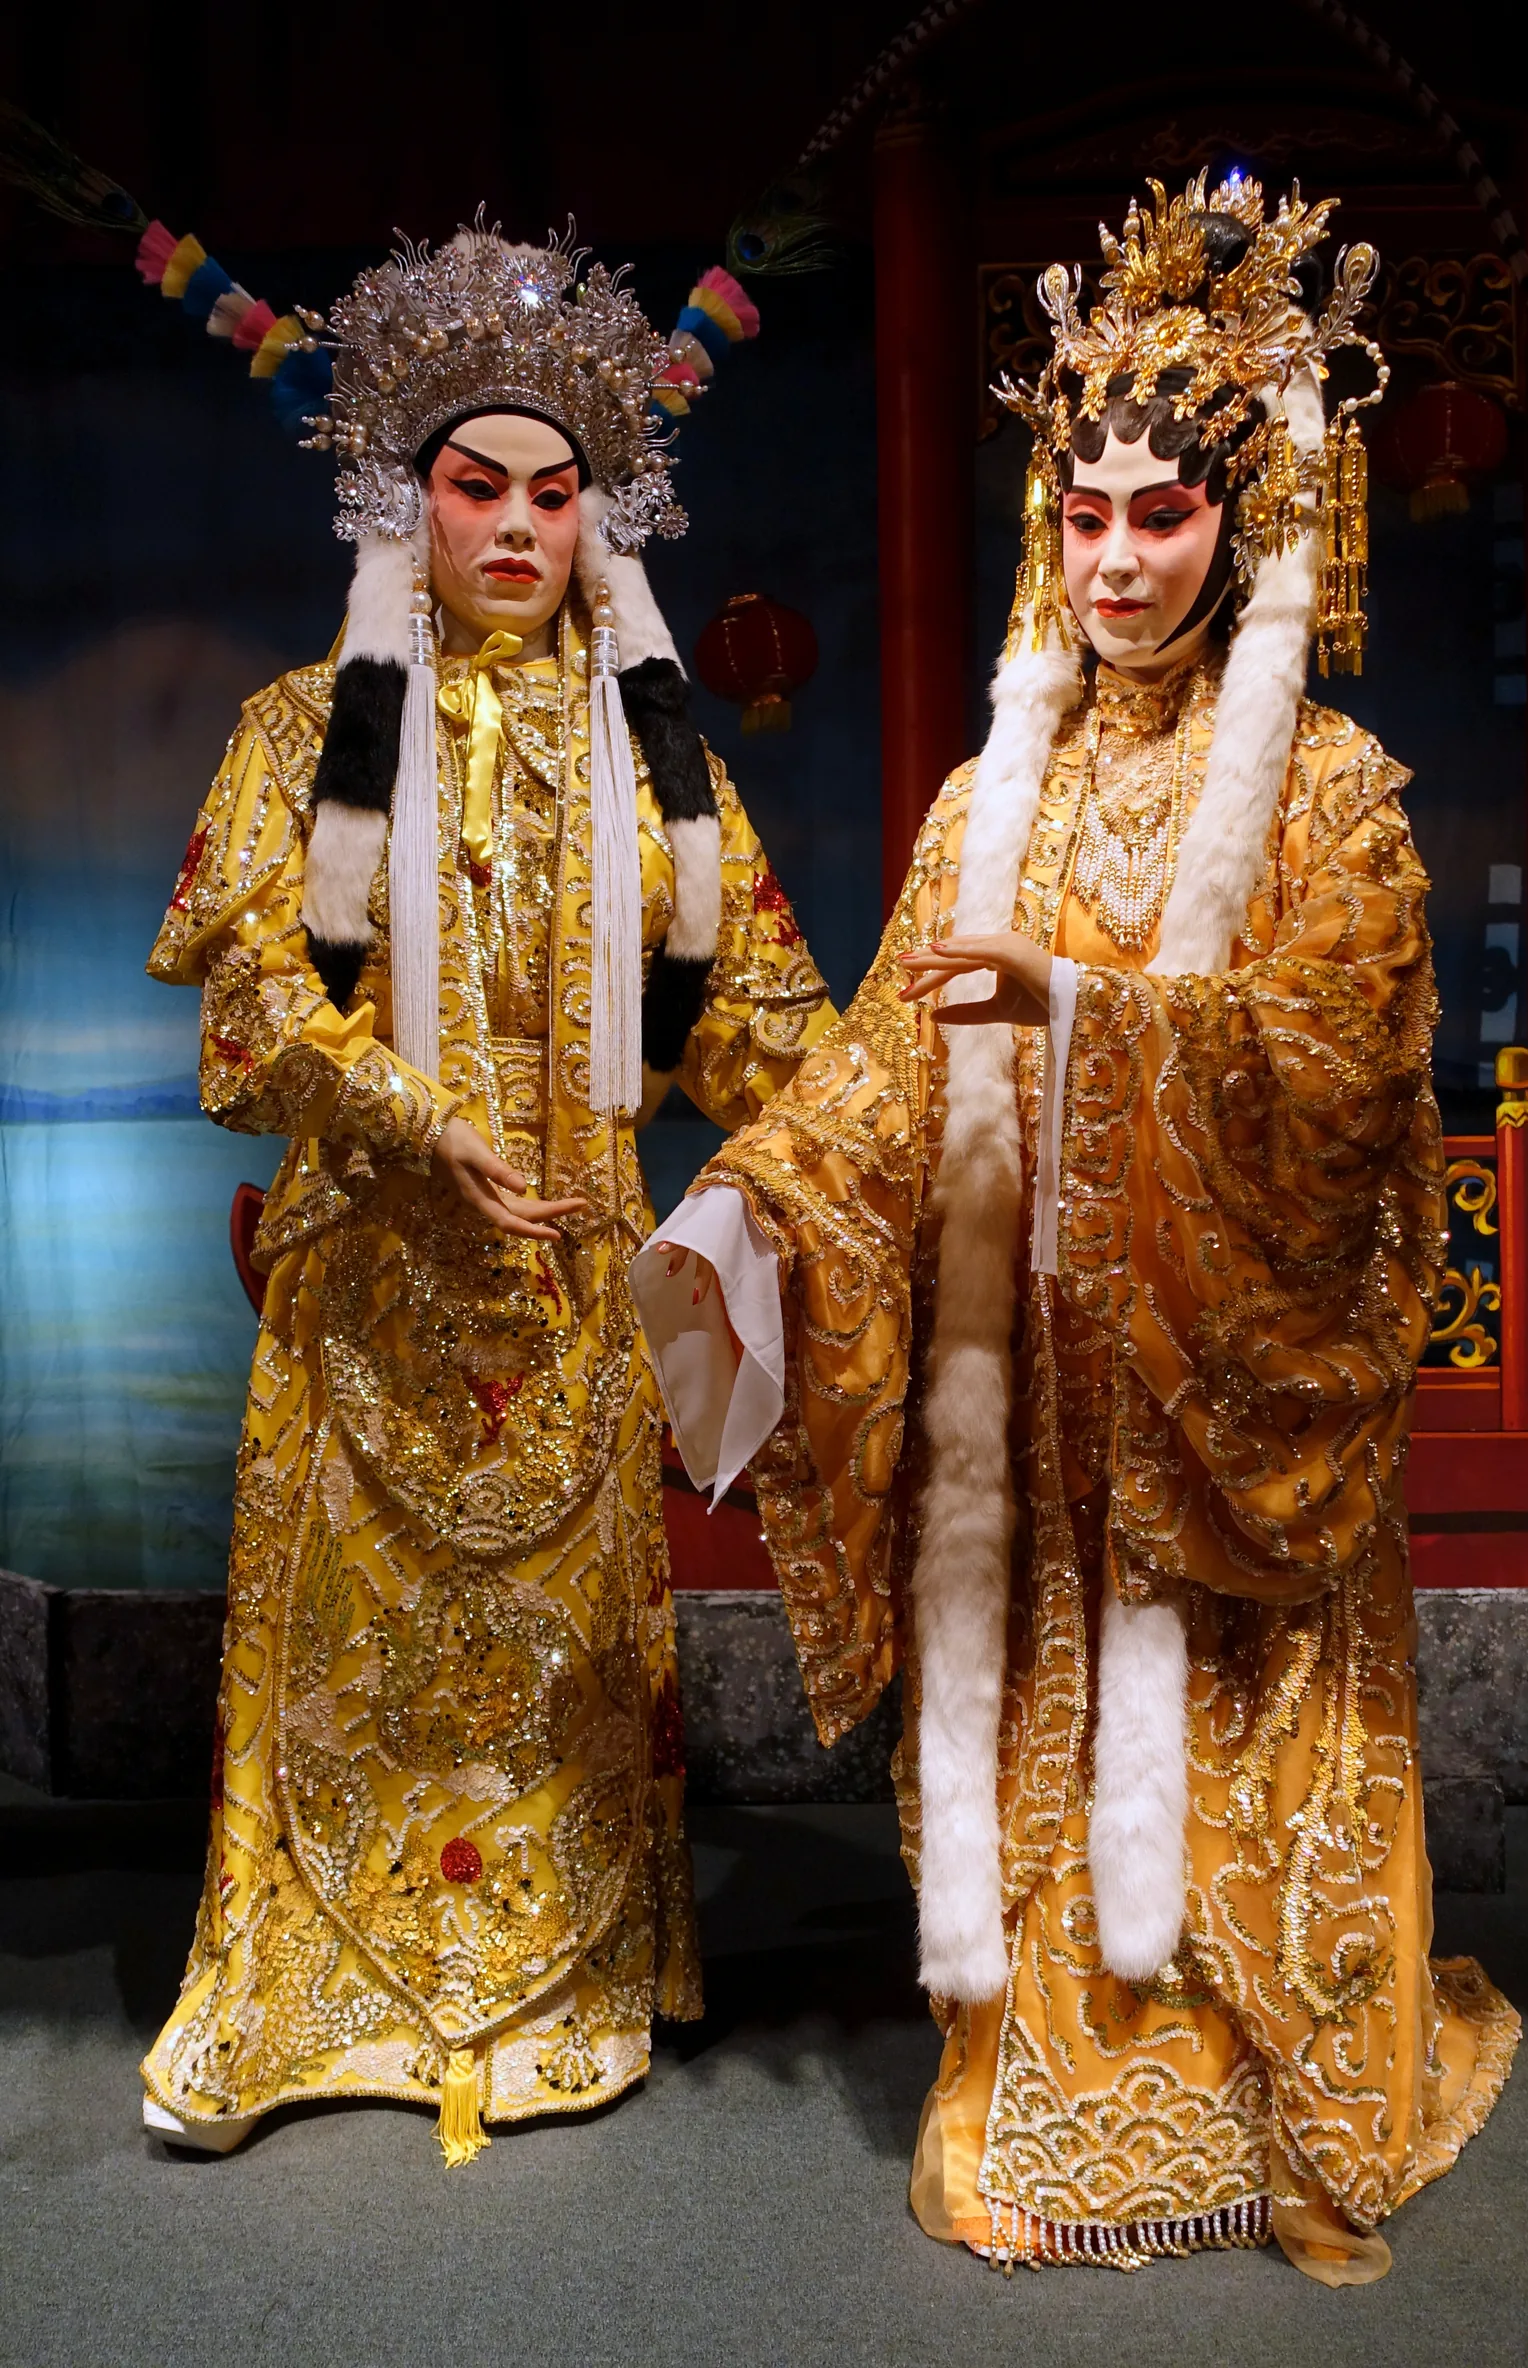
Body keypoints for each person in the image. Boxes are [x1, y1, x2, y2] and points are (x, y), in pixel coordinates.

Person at [632, 173, 1517, 2281]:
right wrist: (751, 1201)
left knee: (1224, 1744)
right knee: (1040, 1731)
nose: (1117, 562)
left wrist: (1096, 1016)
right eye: (1087, 514)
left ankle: (1256, 2061)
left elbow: (1339, 1079)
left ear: (1247, 522)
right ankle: (1030, 2048)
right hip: (1027, 1403)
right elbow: (881, 1067)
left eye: (1165, 517)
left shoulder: (1332, 793)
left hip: (1214, 1384)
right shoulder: (981, 803)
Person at [142, 223, 830, 2161]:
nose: (517, 526)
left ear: (598, 517)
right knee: (339, 1658)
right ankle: (292, 1994)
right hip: (365, 1284)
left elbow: (768, 1029)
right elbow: (250, 1011)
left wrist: (901, 1116)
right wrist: (397, 1107)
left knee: (549, 1681)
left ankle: (556, 1986)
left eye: (551, 492)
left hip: (573, 1296)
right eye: (475, 486)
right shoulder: (303, 728)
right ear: (409, 504)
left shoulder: (659, 766)